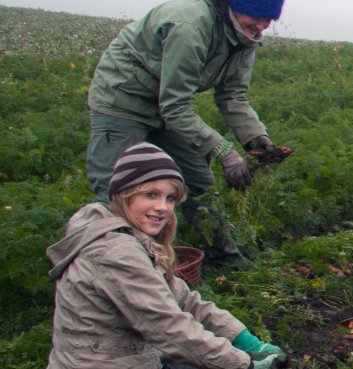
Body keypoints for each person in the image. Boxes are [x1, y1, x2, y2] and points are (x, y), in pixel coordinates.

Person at [86, 0, 292, 267]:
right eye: (255, 19)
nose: (261, 28)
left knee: (198, 178)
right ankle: (111, 267)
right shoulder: (190, 26)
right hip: (123, 99)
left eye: (268, 22)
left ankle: (223, 256)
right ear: (235, 8)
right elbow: (176, 107)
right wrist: (225, 152)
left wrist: (256, 140)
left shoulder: (245, 38)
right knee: (117, 187)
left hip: (166, 105)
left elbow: (232, 96)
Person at [47, 143, 287, 368]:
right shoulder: (116, 252)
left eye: (170, 198)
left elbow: (182, 298)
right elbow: (168, 328)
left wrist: (244, 339)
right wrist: (244, 364)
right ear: (124, 193)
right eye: (150, 194)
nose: (162, 206)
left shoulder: (125, 236)